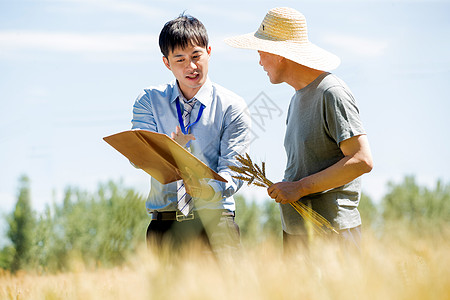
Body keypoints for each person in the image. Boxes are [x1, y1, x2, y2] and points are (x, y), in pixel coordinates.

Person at [225, 7, 373, 252]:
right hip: (296, 233)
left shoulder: (331, 92)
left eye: (261, 52)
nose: (259, 61)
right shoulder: (296, 98)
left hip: (332, 234)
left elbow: (361, 160)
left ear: (279, 53)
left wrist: (299, 187)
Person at [132, 14, 251, 253]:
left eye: (197, 56)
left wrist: (209, 189)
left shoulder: (232, 106)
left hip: (216, 223)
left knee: (225, 291)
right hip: (164, 226)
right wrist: (164, 155)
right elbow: (141, 155)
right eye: (180, 59)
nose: (191, 67)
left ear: (209, 51)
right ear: (167, 63)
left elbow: (235, 168)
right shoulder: (149, 101)